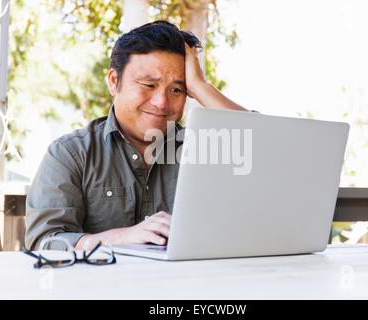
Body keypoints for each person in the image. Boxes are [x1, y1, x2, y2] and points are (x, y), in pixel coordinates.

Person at [25, 20, 249, 250]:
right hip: (97, 285)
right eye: (148, 85)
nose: (162, 103)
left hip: (185, 285)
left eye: (177, 90)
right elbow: (44, 241)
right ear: (114, 81)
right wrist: (119, 238)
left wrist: (200, 85)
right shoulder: (70, 154)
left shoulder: (205, 150)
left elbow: (262, 149)